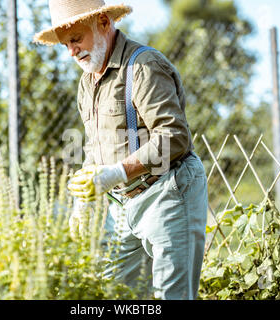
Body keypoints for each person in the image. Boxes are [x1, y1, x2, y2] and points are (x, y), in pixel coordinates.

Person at [33, 0, 208, 300]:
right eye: (65, 45)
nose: (72, 52)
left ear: (103, 22)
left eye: (76, 39)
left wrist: (116, 173)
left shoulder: (143, 66)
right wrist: (82, 203)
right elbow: (94, 148)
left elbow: (174, 137)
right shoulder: (87, 82)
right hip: (124, 203)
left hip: (167, 191)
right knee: (115, 294)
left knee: (173, 296)